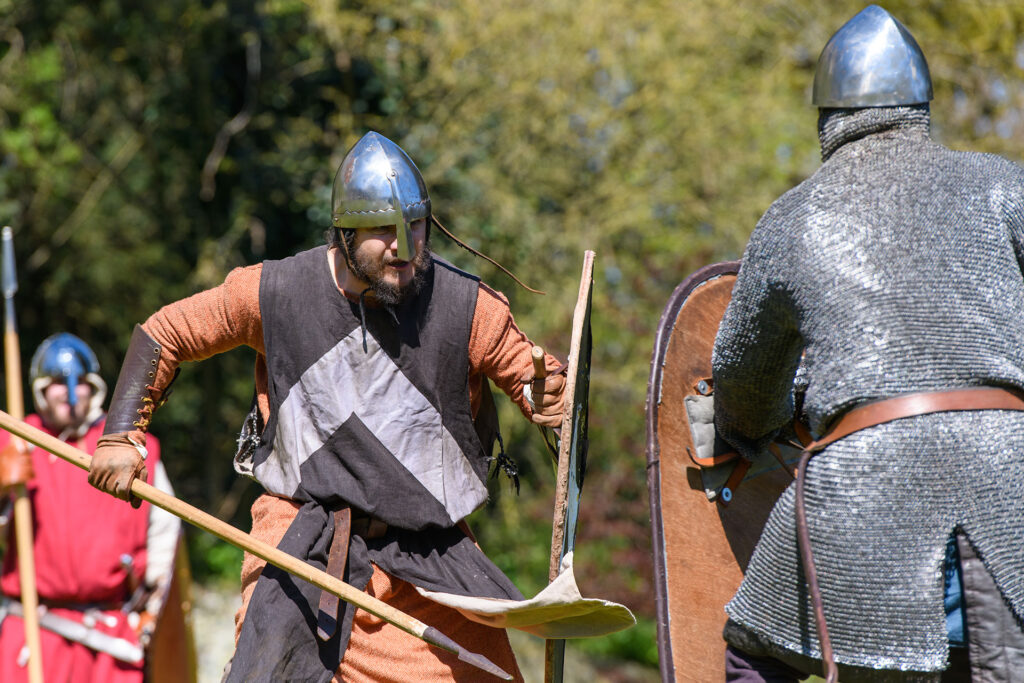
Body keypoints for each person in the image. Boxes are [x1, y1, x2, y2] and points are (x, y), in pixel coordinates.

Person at [87, 131, 566, 681]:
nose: (404, 248)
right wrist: (122, 433)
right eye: (383, 232)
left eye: (414, 226)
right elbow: (164, 333)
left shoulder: (466, 307)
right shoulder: (275, 293)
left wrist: (547, 395)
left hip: (430, 564)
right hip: (301, 543)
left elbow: (531, 375)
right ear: (343, 234)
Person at [711, 5, 1024, 682]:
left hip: (867, 485)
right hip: (1013, 480)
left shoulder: (796, 215)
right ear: (920, 107)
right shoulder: (1006, 186)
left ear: (829, 118)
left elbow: (741, 380)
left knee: (750, 652)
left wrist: (752, 427)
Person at [0, 333, 181, 683]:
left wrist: (153, 609)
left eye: (80, 383)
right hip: (34, 631)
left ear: (94, 387)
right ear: (40, 389)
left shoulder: (131, 448)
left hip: (112, 635)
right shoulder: (16, 440)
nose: (69, 393)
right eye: (57, 384)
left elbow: (165, 534)